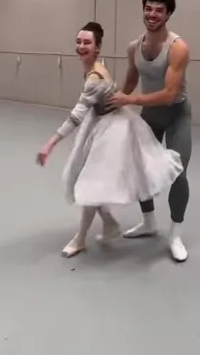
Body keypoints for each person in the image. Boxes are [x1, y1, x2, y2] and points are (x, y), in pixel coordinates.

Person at [37, 21, 183, 258]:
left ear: (97, 48)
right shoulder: (94, 68)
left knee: (91, 182)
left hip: (114, 129)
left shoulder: (94, 78)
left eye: (87, 42)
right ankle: (109, 223)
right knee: (91, 180)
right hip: (102, 122)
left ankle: (80, 238)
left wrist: (50, 144)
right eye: (78, 42)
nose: (81, 46)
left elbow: (76, 116)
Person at [104, 0, 194, 262]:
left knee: (178, 173)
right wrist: (113, 99)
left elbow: (169, 94)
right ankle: (149, 222)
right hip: (150, 115)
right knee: (141, 169)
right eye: (148, 8)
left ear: (168, 15)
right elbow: (131, 80)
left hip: (176, 114)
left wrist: (130, 99)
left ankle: (175, 234)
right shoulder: (135, 47)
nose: (152, 14)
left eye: (159, 10)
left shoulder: (178, 48)